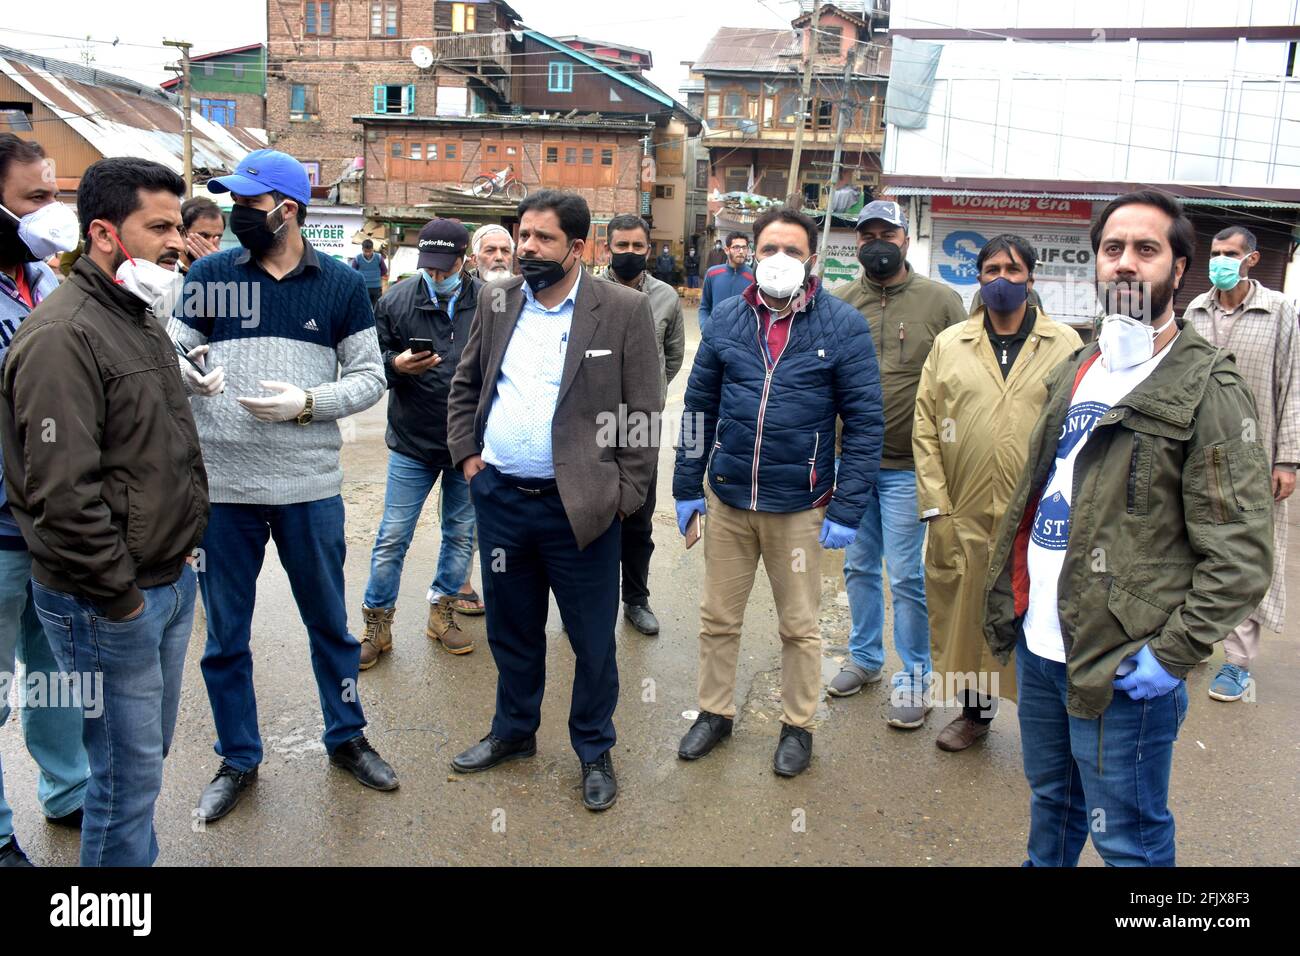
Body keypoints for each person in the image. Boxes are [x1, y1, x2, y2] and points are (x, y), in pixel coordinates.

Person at [984, 190, 1273, 866]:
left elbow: (1241, 554)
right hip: (1044, 646)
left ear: (1180, 269)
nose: (1124, 263)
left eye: (1146, 249)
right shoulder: (1079, 365)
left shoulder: (1209, 388)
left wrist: (1174, 653)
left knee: (1129, 839)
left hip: (1122, 663)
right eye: (1112, 249)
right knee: (1053, 802)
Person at [167, 149, 396, 825]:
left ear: (286, 210)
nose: (237, 214)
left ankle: (347, 738)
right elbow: (170, 349)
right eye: (233, 204)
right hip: (225, 489)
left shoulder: (342, 285)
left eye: (248, 205)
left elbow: (371, 377)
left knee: (329, 625)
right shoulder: (210, 274)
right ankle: (238, 755)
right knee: (225, 637)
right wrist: (187, 369)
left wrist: (308, 402)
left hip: (307, 487)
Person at [0, 157, 209, 867]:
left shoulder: (136, 311)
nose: (177, 241)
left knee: (140, 765)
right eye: (159, 226)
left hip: (165, 580)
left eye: (179, 225)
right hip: (110, 597)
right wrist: (118, 597)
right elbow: (61, 493)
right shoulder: (64, 334)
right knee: (123, 778)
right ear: (105, 233)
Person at [446, 189, 662, 811]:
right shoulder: (497, 298)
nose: (527, 248)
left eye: (543, 238)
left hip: (582, 511)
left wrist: (623, 497)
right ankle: (514, 733)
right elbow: (468, 381)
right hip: (503, 503)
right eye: (523, 236)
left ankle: (594, 747)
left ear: (577, 246)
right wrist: (469, 459)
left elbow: (642, 412)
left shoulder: (620, 309)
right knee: (513, 631)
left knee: (592, 639)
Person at [673, 207, 883, 777]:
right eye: (769, 249)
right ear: (751, 255)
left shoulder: (842, 326)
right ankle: (714, 714)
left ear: (812, 258)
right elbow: (698, 409)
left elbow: (864, 423)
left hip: (799, 507)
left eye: (792, 250)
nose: (779, 260)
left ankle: (797, 726)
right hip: (730, 499)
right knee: (718, 617)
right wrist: (686, 484)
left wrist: (848, 505)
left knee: (799, 625)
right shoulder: (726, 323)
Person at [913, 235, 1081, 753]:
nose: (1001, 279)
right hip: (962, 508)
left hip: (1036, 512)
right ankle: (975, 715)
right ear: (978, 278)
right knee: (969, 614)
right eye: (990, 270)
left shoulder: (1065, 344)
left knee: (1038, 612)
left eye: (1012, 269)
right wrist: (936, 505)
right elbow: (925, 426)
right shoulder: (951, 343)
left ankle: (1046, 724)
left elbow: (1079, 427)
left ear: (1031, 278)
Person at [829, 200, 966, 728]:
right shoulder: (840, 303)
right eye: (867, 236)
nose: (877, 243)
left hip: (911, 465)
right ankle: (864, 659)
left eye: (887, 233)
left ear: (906, 239)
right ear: (857, 244)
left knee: (906, 575)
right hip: (852, 464)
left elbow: (962, 376)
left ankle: (915, 676)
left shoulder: (941, 302)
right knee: (858, 565)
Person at [0, 134, 88, 867]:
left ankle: (68, 792)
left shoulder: (47, 279)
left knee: (57, 674)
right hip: (0, 526)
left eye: (53, 194)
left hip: (51, 529)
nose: (50, 212)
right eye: (34, 200)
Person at [359, 219, 482, 667]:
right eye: (428, 268)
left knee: (460, 534)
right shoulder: (394, 301)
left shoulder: (490, 302)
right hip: (413, 441)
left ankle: (442, 612)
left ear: (463, 260)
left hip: (467, 445)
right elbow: (373, 361)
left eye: (443, 268)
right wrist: (397, 366)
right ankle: (378, 624)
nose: (435, 276)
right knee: (393, 536)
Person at [1184, 225, 1298, 702]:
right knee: (1195, 547)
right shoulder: (1194, 310)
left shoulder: (1280, 311)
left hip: (1257, 455)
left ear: (1252, 260)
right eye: (1214, 253)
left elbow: (1295, 384)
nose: (1220, 261)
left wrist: (1289, 460)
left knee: (1249, 553)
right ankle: (1191, 641)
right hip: (1202, 454)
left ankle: (1236, 662)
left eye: (1230, 253)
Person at [600, 213, 685, 636]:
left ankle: (636, 598)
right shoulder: (586, 291)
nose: (629, 254)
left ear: (648, 249)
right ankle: (589, 601)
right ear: (607, 248)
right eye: (622, 246)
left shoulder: (666, 296)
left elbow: (673, 358)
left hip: (640, 425)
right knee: (589, 511)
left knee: (637, 516)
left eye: (638, 247)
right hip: (590, 420)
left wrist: (646, 395)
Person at [698, 232, 752, 331]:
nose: (741, 251)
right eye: (736, 247)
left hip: (741, 340)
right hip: (714, 335)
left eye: (744, 248)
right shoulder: (712, 274)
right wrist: (705, 329)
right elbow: (704, 307)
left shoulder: (753, 278)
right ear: (727, 250)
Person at [179, 195, 225, 273]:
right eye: (203, 236)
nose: (210, 244)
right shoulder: (164, 270)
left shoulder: (223, 271)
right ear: (182, 233)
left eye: (217, 237)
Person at [352, 238, 388, 308]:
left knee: (377, 307)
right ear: (362, 249)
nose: (368, 253)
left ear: (373, 249)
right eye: (366, 251)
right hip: (363, 287)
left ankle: (374, 319)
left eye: (370, 251)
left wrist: (376, 277)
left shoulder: (379, 257)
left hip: (376, 287)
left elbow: (384, 270)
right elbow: (353, 272)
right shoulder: (357, 258)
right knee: (364, 307)